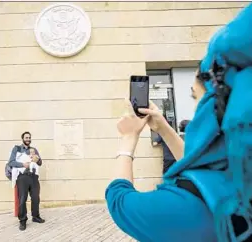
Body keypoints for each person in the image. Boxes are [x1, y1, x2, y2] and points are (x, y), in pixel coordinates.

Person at [105, 4, 252, 242]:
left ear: (215, 103)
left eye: (195, 98)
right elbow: (205, 166)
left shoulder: (189, 207)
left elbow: (120, 201)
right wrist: (163, 126)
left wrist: (128, 139)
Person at [9, 131, 45, 231]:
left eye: (29, 138)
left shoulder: (34, 150)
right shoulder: (17, 149)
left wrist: (37, 159)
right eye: (26, 138)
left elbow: (40, 162)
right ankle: (23, 221)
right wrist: (22, 165)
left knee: (35, 198)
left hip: (33, 176)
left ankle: (35, 216)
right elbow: (11, 162)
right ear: (23, 139)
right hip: (22, 177)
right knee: (22, 199)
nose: (28, 139)